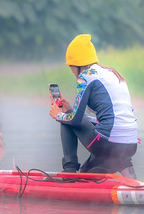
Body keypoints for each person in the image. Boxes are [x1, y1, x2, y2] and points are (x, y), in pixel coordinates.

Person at [49, 34, 138, 179]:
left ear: (77, 65)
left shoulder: (86, 76)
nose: (71, 70)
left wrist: (58, 115)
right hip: (130, 146)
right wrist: (70, 110)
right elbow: (108, 119)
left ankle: (69, 173)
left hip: (108, 145)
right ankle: (129, 176)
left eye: (71, 66)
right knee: (85, 174)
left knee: (66, 120)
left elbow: (75, 120)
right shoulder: (111, 72)